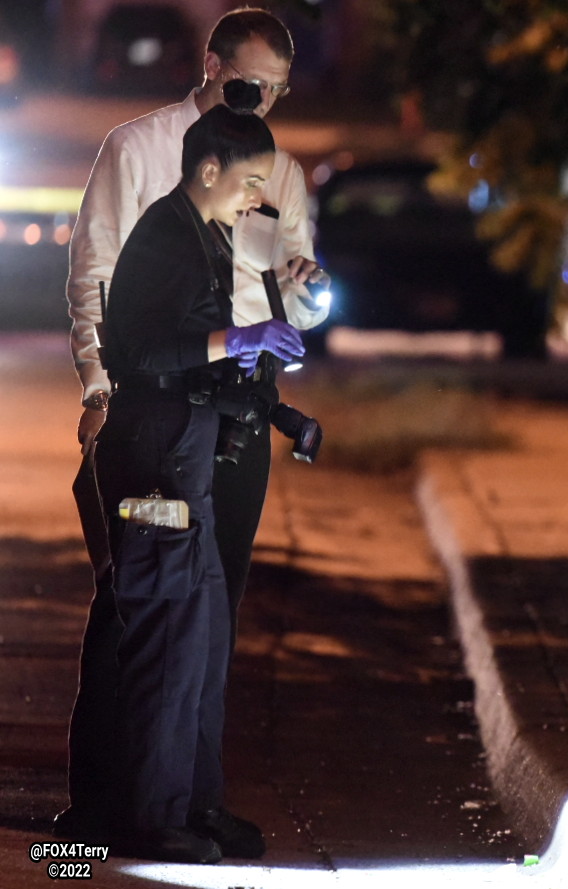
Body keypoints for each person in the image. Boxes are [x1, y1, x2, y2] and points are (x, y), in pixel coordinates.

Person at [58, 7, 327, 846]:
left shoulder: (276, 169)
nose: (266, 103)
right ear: (211, 66)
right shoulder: (141, 150)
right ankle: (98, 818)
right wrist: (99, 388)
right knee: (135, 604)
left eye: (279, 91)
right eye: (252, 83)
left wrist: (306, 295)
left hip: (235, 403)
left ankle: (185, 797)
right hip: (156, 402)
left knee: (212, 605)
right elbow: (96, 272)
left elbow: (298, 297)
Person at [96, 94, 302, 863]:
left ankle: (192, 806)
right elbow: (141, 351)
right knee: (167, 646)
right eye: (251, 180)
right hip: (155, 463)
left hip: (186, 461)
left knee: (200, 643)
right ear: (208, 168)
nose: (258, 197)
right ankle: (152, 823)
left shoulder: (204, 236)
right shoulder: (167, 241)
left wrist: (251, 362)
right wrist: (235, 337)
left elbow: (191, 349)